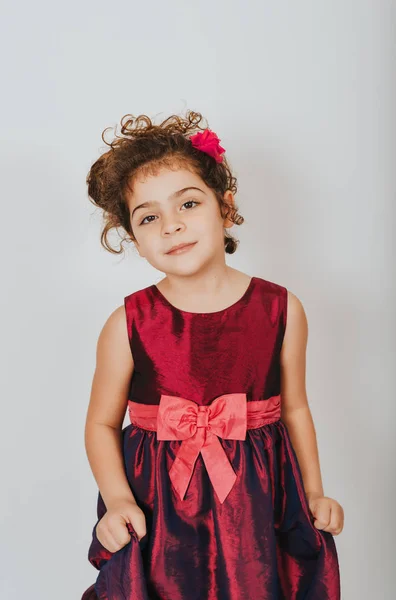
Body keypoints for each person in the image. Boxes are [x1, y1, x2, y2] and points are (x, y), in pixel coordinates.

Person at [81, 110, 343, 600]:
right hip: (160, 507)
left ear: (225, 207)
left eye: (188, 204)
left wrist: (313, 493)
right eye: (150, 217)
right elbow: (100, 424)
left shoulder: (281, 309)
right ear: (134, 239)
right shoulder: (127, 324)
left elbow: (296, 408)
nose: (172, 227)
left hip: (258, 501)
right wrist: (117, 500)